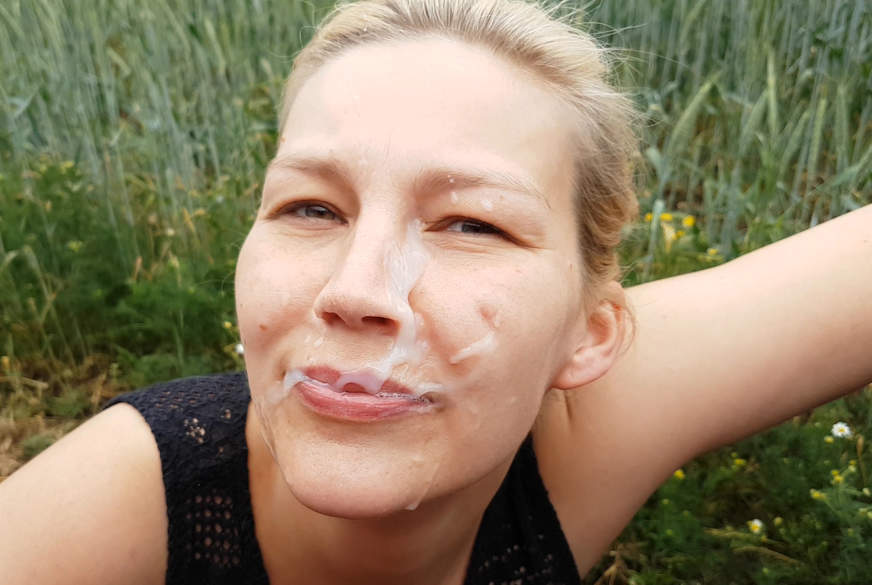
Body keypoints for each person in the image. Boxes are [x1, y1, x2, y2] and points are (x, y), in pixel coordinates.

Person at [1, 0, 870, 583]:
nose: (356, 289)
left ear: (590, 332)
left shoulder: (585, 429)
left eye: (471, 224)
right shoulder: (107, 512)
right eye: (311, 207)